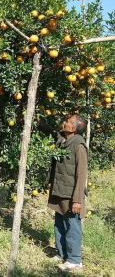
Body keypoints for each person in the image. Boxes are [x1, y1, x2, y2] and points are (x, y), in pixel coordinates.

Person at [46, 114, 88, 272]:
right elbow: (50, 131)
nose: (64, 123)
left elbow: (81, 174)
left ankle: (75, 260)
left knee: (72, 226)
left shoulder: (79, 145)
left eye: (68, 122)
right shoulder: (62, 139)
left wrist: (78, 200)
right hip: (59, 190)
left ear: (74, 128)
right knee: (59, 223)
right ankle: (61, 252)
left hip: (71, 194)